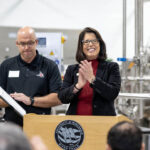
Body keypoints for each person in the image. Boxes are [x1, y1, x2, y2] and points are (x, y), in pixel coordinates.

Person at [0, 26, 62, 126]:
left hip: (40, 126)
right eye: (23, 43)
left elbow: (58, 98)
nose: (26, 47)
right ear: (17, 43)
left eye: (30, 43)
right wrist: (12, 100)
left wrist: (31, 100)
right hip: (12, 127)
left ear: (36, 42)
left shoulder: (49, 66)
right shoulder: (6, 66)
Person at [58, 27, 121, 115]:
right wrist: (78, 86)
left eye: (94, 41)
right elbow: (62, 98)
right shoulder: (72, 69)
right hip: (75, 125)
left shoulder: (111, 67)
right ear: (81, 47)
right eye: (86, 42)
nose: (90, 44)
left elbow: (112, 94)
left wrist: (92, 79)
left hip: (102, 123)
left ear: (100, 44)